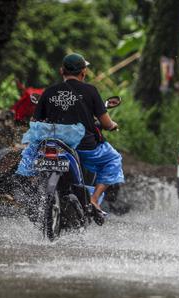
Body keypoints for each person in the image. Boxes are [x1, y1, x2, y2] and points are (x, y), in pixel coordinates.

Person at [16, 53, 123, 219]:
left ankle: (34, 195)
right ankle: (94, 200)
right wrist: (113, 125)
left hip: (51, 144)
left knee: (30, 159)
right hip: (84, 148)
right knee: (113, 159)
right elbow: (107, 124)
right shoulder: (91, 91)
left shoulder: (49, 92)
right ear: (84, 72)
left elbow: (35, 121)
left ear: (61, 71)